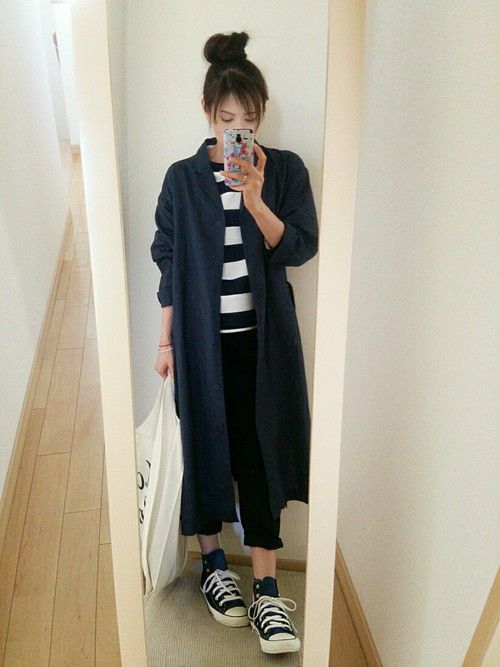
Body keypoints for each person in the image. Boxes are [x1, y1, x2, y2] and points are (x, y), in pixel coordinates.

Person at [151, 30, 318, 655]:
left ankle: (268, 591)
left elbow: (298, 245)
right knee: (203, 447)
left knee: (260, 452)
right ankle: (215, 567)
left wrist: (254, 199)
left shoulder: (285, 171)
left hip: (263, 346)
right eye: (227, 120)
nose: (238, 131)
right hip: (199, 344)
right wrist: (165, 342)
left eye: (248, 119)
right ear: (207, 113)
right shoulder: (181, 180)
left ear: (262, 115)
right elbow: (168, 260)